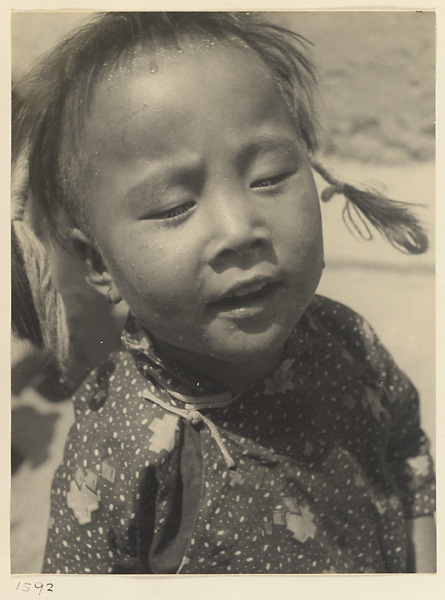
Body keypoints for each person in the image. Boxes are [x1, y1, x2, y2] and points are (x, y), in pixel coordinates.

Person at [11, 12, 435, 574]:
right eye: (173, 207)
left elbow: (407, 457)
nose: (239, 230)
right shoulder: (121, 450)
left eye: (268, 177)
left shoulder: (346, 341)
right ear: (97, 262)